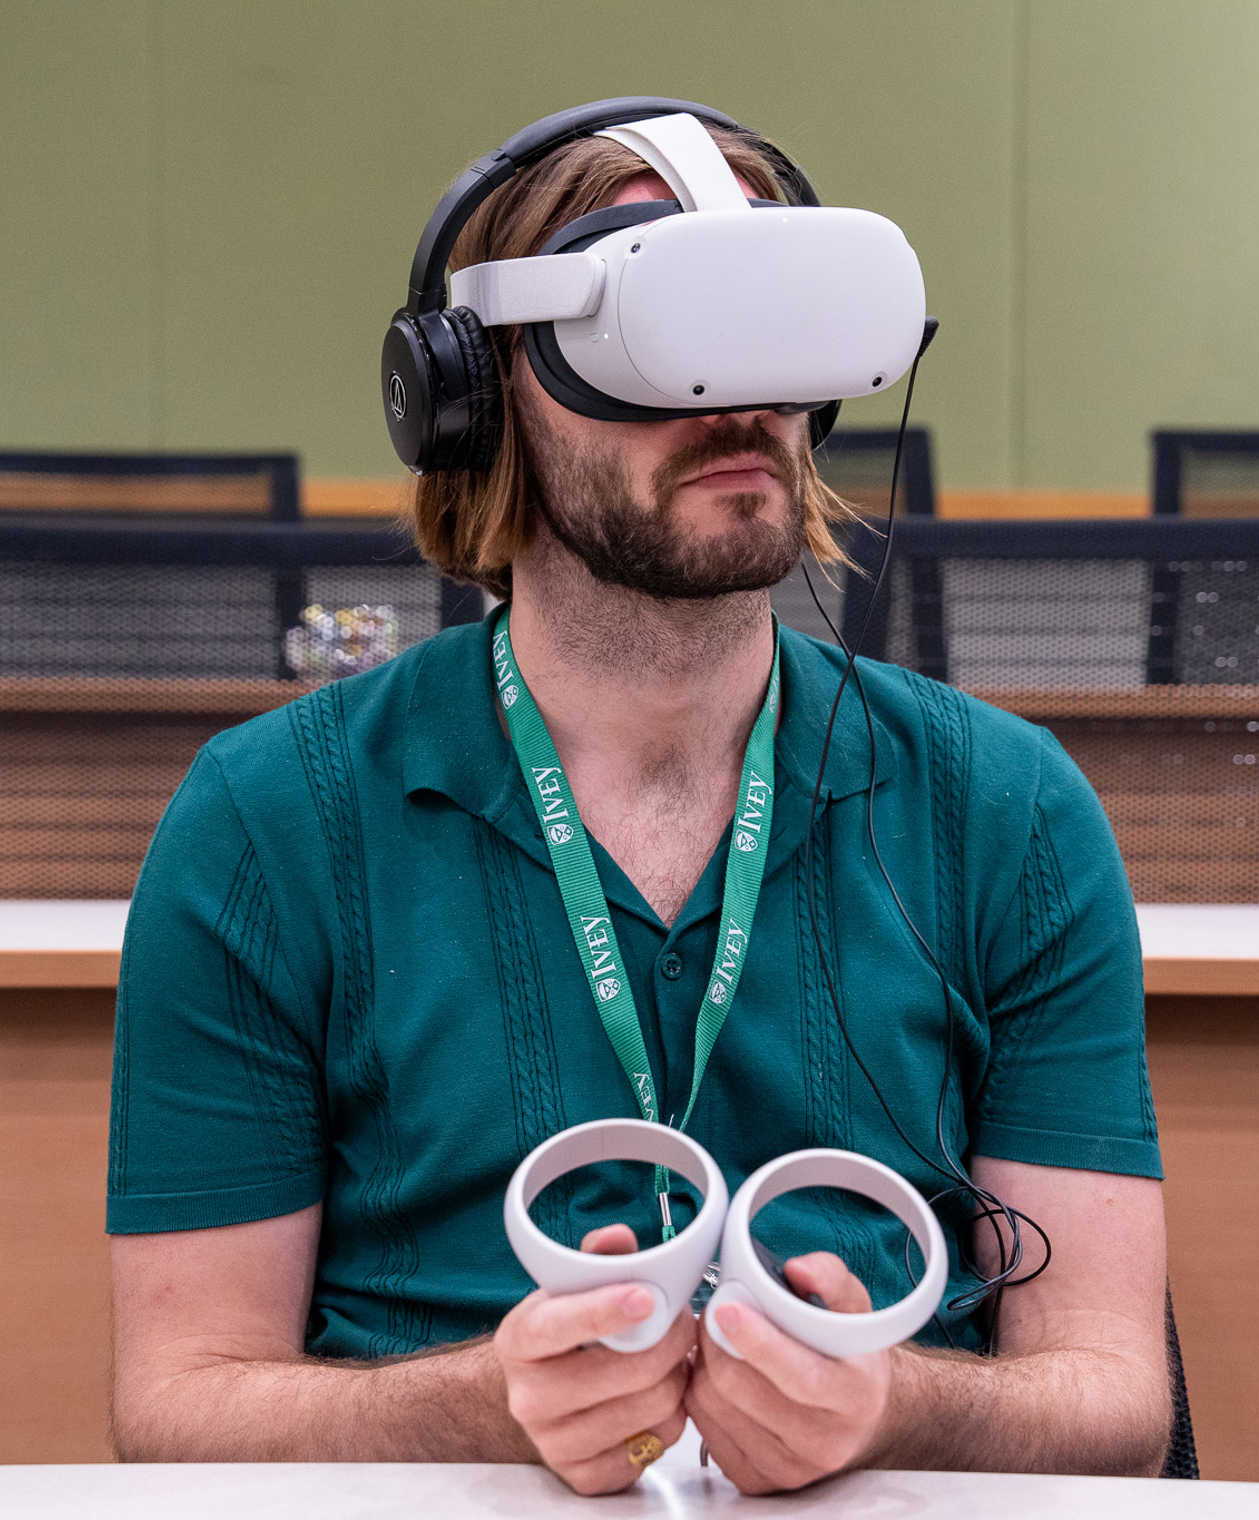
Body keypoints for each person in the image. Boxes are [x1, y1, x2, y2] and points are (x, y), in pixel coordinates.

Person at [105, 102, 1169, 1496]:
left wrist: (890, 1406)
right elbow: (177, 1406)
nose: (732, 397)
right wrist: (483, 1404)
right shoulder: (268, 822)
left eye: (770, 321)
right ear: (474, 400)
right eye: (646, 335)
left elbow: (1115, 1399)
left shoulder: (1006, 812)